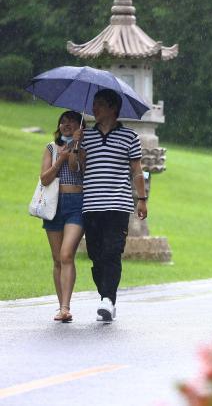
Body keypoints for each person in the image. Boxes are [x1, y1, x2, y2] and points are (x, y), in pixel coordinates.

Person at [74, 89, 148, 323]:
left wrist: (142, 199)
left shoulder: (129, 137)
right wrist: (77, 145)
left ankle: (108, 300)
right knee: (96, 255)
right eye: (94, 104)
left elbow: (137, 170)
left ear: (113, 109)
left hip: (118, 204)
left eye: (100, 105)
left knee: (112, 252)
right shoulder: (86, 136)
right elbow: (78, 168)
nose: (95, 109)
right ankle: (106, 297)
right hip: (92, 204)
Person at [40, 111, 85, 322]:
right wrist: (60, 160)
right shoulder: (50, 147)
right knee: (57, 258)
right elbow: (45, 178)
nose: (66, 125)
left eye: (71, 121)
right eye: (63, 121)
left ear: (79, 125)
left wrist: (75, 147)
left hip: (76, 204)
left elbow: (76, 167)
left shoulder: (84, 148)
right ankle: (61, 307)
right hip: (54, 205)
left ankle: (66, 306)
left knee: (67, 254)